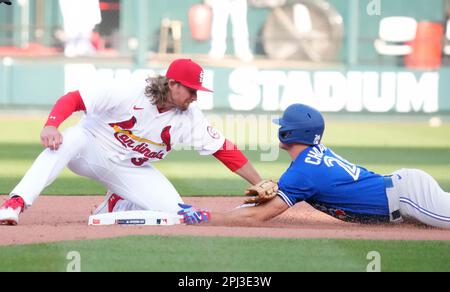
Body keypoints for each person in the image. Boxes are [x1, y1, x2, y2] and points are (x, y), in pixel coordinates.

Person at [0, 59, 262, 225]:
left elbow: (224, 149)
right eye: (191, 89)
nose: (195, 96)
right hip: (89, 148)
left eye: (198, 91)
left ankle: (117, 201)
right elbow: (75, 98)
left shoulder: (191, 116)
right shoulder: (129, 90)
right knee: (66, 141)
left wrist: (258, 182)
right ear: (172, 84)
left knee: (175, 213)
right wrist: (51, 124)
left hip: (129, 168)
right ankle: (16, 202)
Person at [178, 103, 450, 229]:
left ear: (289, 134)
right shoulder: (311, 158)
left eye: (282, 126)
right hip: (403, 191)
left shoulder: (303, 172)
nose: (279, 129)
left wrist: (208, 216)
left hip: (409, 197)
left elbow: (256, 217)